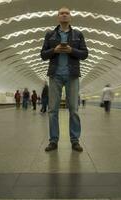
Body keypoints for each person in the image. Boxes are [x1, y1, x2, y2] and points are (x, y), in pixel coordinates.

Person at [41, 6, 88, 152]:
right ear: (58, 17)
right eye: (61, 13)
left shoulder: (78, 35)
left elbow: (85, 54)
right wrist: (54, 50)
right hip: (55, 75)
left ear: (70, 17)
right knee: (52, 110)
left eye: (67, 13)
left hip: (72, 75)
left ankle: (75, 140)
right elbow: (43, 55)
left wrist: (71, 50)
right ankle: (53, 141)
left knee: (73, 109)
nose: (64, 15)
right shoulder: (50, 35)